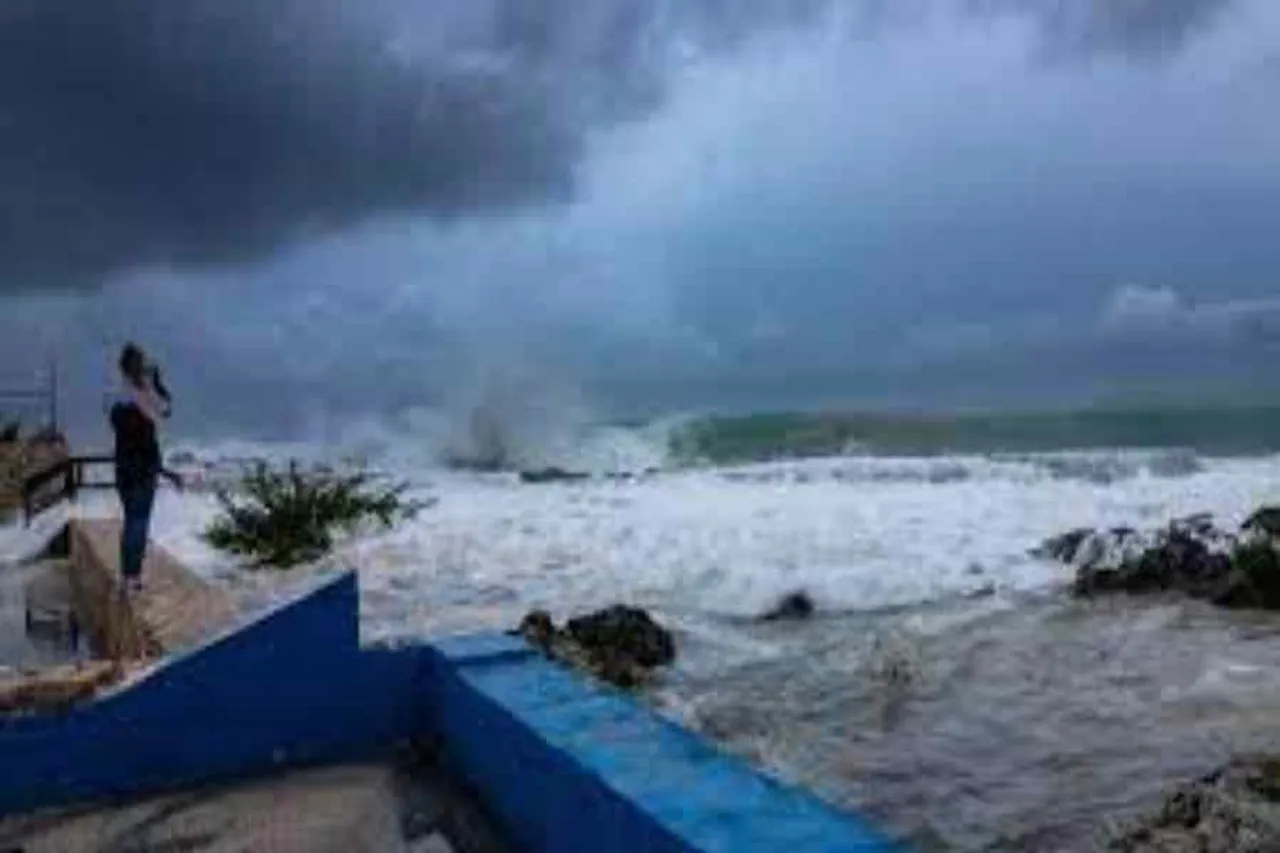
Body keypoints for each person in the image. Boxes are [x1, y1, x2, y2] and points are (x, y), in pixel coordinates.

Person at [108, 343, 181, 592]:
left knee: (131, 520)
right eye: (143, 362)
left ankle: (127, 575)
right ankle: (132, 577)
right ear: (137, 367)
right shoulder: (143, 396)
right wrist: (157, 383)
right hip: (143, 467)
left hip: (123, 467)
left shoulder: (117, 395)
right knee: (139, 521)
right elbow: (166, 410)